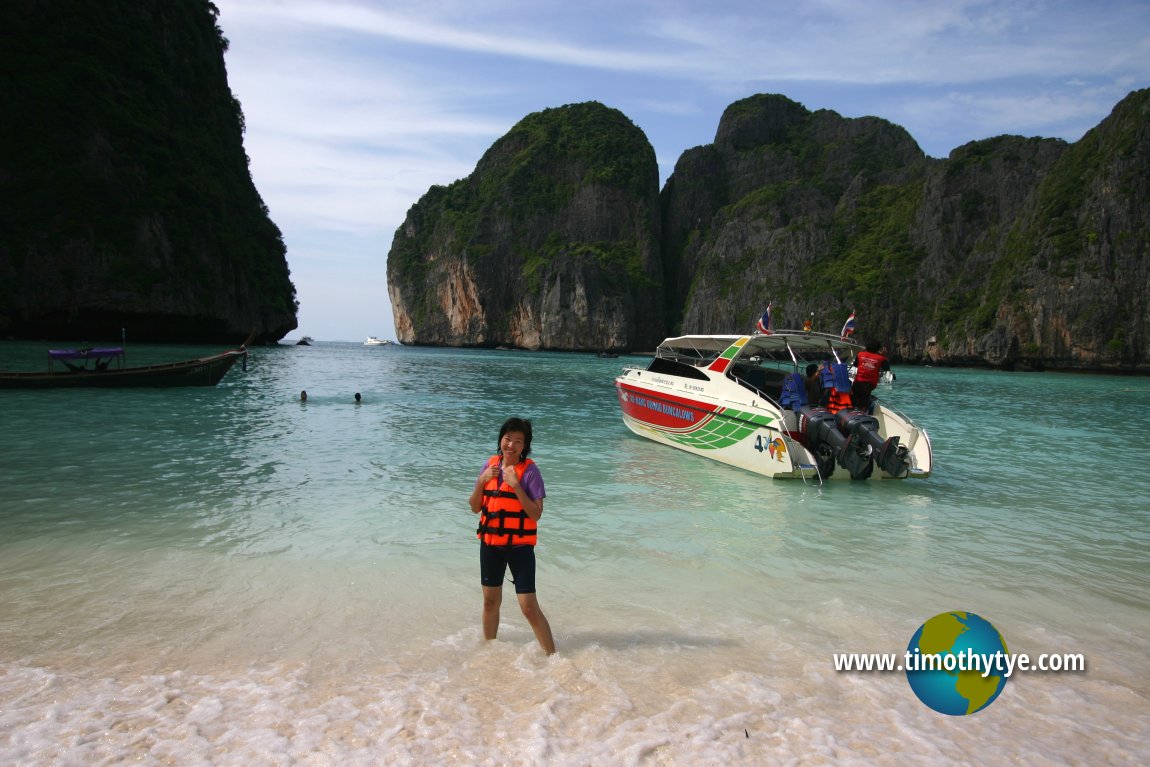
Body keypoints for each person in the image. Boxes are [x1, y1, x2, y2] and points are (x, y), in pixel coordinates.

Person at [468, 417, 556, 655]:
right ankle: (489, 652)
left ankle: (553, 658)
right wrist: (480, 482)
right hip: (491, 545)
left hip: (520, 548)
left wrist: (516, 486)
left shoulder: (530, 472)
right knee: (489, 602)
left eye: (519, 441)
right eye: (508, 439)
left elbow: (536, 514)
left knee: (528, 607)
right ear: (501, 440)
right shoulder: (489, 467)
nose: (512, 445)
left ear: (524, 446)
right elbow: (475, 507)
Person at [852, 340, 891, 412]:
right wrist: (884, 356)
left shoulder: (860, 354)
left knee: (855, 400)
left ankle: (854, 409)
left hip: (857, 382)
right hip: (869, 385)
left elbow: (855, 365)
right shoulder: (881, 358)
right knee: (864, 402)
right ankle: (863, 410)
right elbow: (887, 368)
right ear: (878, 349)